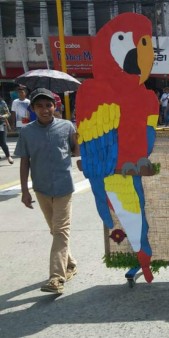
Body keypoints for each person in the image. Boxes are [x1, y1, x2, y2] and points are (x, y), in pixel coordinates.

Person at [14, 88, 80, 294]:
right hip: (41, 188)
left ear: (55, 106)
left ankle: (56, 278)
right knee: (55, 230)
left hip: (63, 188)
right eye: (40, 106)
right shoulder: (26, 132)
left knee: (60, 230)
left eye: (48, 105)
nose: (45, 109)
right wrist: (25, 191)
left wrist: (81, 137)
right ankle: (70, 264)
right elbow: (25, 163)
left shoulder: (67, 126)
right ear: (33, 108)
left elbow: (76, 151)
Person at [0, 96, 13, 164]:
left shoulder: (2, 103)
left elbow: (8, 113)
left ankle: (8, 156)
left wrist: (2, 116)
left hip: (1, 124)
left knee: (3, 142)